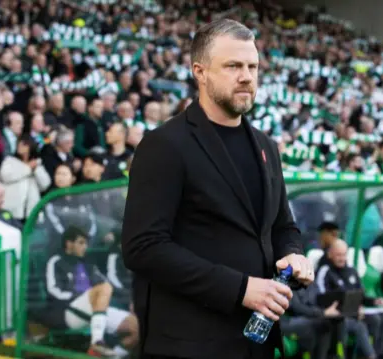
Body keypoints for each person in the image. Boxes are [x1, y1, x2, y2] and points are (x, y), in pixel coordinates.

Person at [121, 18, 314, 359]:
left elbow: (282, 225)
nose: (246, 76)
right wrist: (240, 289)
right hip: (189, 345)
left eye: (252, 66)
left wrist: (293, 252)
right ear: (200, 71)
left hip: (257, 341)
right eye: (233, 66)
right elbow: (143, 247)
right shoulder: (165, 145)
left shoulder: (265, 145)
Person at [45, 226, 138, 358]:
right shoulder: (57, 261)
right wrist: (86, 296)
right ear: (69, 244)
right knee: (104, 288)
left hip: (96, 309)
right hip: (69, 309)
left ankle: (112, 356)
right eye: (81, 243)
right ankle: (97, 341)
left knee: (138, 328)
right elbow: (54, 290)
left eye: (86, 243)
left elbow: (104, 283)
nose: (85, 247)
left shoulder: (88, 263)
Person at [316, 240, 383, 359]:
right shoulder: (325, 271)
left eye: (344, 255)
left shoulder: (351, 270)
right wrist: (349, 309)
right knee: (361, 325)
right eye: (338, 255)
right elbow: (320, 298)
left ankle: (378, 353)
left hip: (355, 312)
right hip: (336, 316)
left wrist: (374, 301)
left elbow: (360, 295)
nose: (342, 258)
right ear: (330, 254)